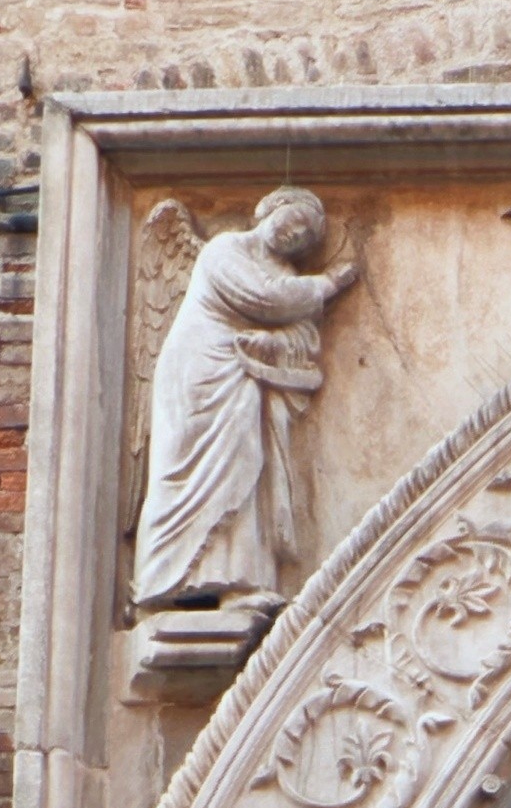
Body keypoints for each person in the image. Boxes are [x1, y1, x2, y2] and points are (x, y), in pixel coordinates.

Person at [132, 186, 357, 611]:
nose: (295, 234)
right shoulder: (224, 250)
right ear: (268, 208)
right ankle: (160, 581)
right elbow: (263, 299)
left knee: (246, 464)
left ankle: (238, 580)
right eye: (293, 220)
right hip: (199, 370)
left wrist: (273, 342)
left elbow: (301, 334)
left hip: (242, 378)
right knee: (183, 469)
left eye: (305, 236)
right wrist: (328, 283)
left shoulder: (286, 274)